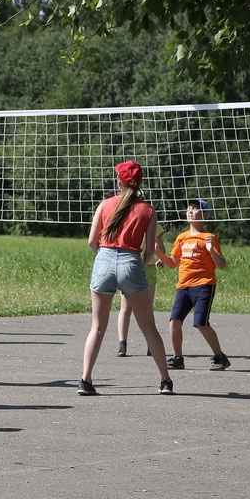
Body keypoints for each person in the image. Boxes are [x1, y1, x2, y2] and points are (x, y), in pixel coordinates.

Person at [78, 161, 173, 396]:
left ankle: (85, 380)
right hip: (131, 260)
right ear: (139, 182)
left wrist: (105, 258)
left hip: (104, 259)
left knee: (97, 327)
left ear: (119, 181)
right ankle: (165, 381)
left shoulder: (105, 204)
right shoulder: (148, 210)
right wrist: (138, 267)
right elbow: (150, 250)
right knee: (148, 327)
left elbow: (92, 241)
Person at [158, 198, 231, 371]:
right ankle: (178, 358)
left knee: (201, 323)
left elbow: (222, 265)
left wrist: (211, 251)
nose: (190, 211)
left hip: (204, 285)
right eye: (189, 208)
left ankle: (220, 357)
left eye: (195, 209)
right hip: (183, 286)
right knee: (174, 321)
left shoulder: (209, 237)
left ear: (204, 215)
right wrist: (158, 254)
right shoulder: (181, 238)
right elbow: (172, 263)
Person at [116, 221, 166, 357]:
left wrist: (161, 258)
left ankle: (151, 344)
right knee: (126, 308)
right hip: (130, 264)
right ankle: (122, 343)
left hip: (148, 267)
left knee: (147, 307)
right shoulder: (126, 218)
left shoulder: (151, 220)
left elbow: (159, 242)